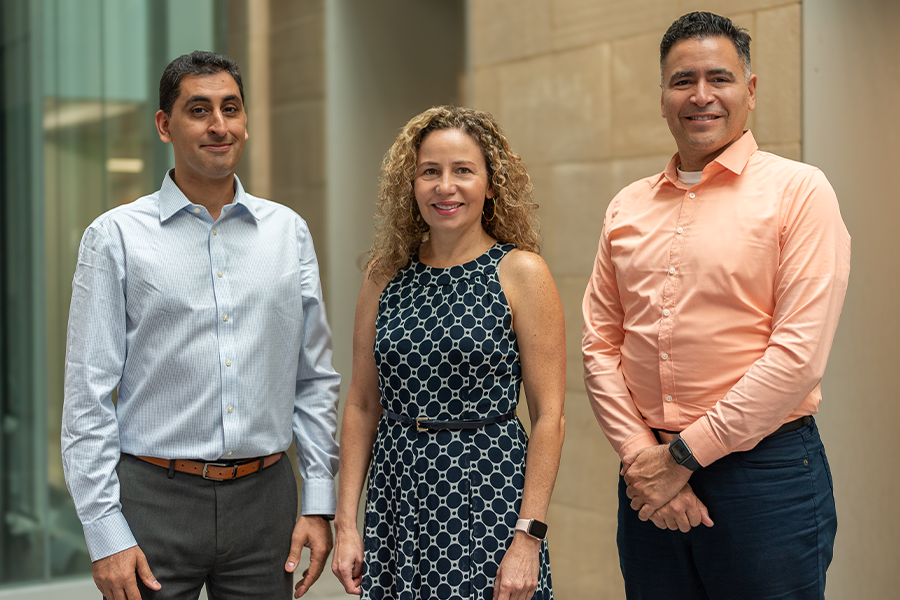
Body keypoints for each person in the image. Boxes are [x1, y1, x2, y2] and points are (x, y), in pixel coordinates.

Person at [582, 11, 850, 600]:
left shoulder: (800, 191)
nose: (701, 96)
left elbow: (797, 356)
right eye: (682, 81)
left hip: (765, 476)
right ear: (662, 98)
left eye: (719, 78)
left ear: (749, 91)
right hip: (647, 473)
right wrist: (644, 459)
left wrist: (682, 456)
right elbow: (599, 347)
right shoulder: (626, 207)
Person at [61, 50, 340, 600]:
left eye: (230, 108)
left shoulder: (289, 233)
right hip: (154, 500)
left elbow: (314, 379)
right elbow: (87, 396)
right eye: (199, 110)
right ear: (165, 125)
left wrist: (318, 501)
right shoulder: (114, 237)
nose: (219, 126)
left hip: (267, 502)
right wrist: (104, 532)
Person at [331, 106, 565, 599]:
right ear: (410, 186)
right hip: (395, 492)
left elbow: (550, 416)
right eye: (429, 172)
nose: (445, 186)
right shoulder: (384, 276)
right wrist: (346, 523)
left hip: (485, 494)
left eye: (463, 171)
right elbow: (360, 403)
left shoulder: (521, 272)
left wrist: (529, 536)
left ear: (491, 183)